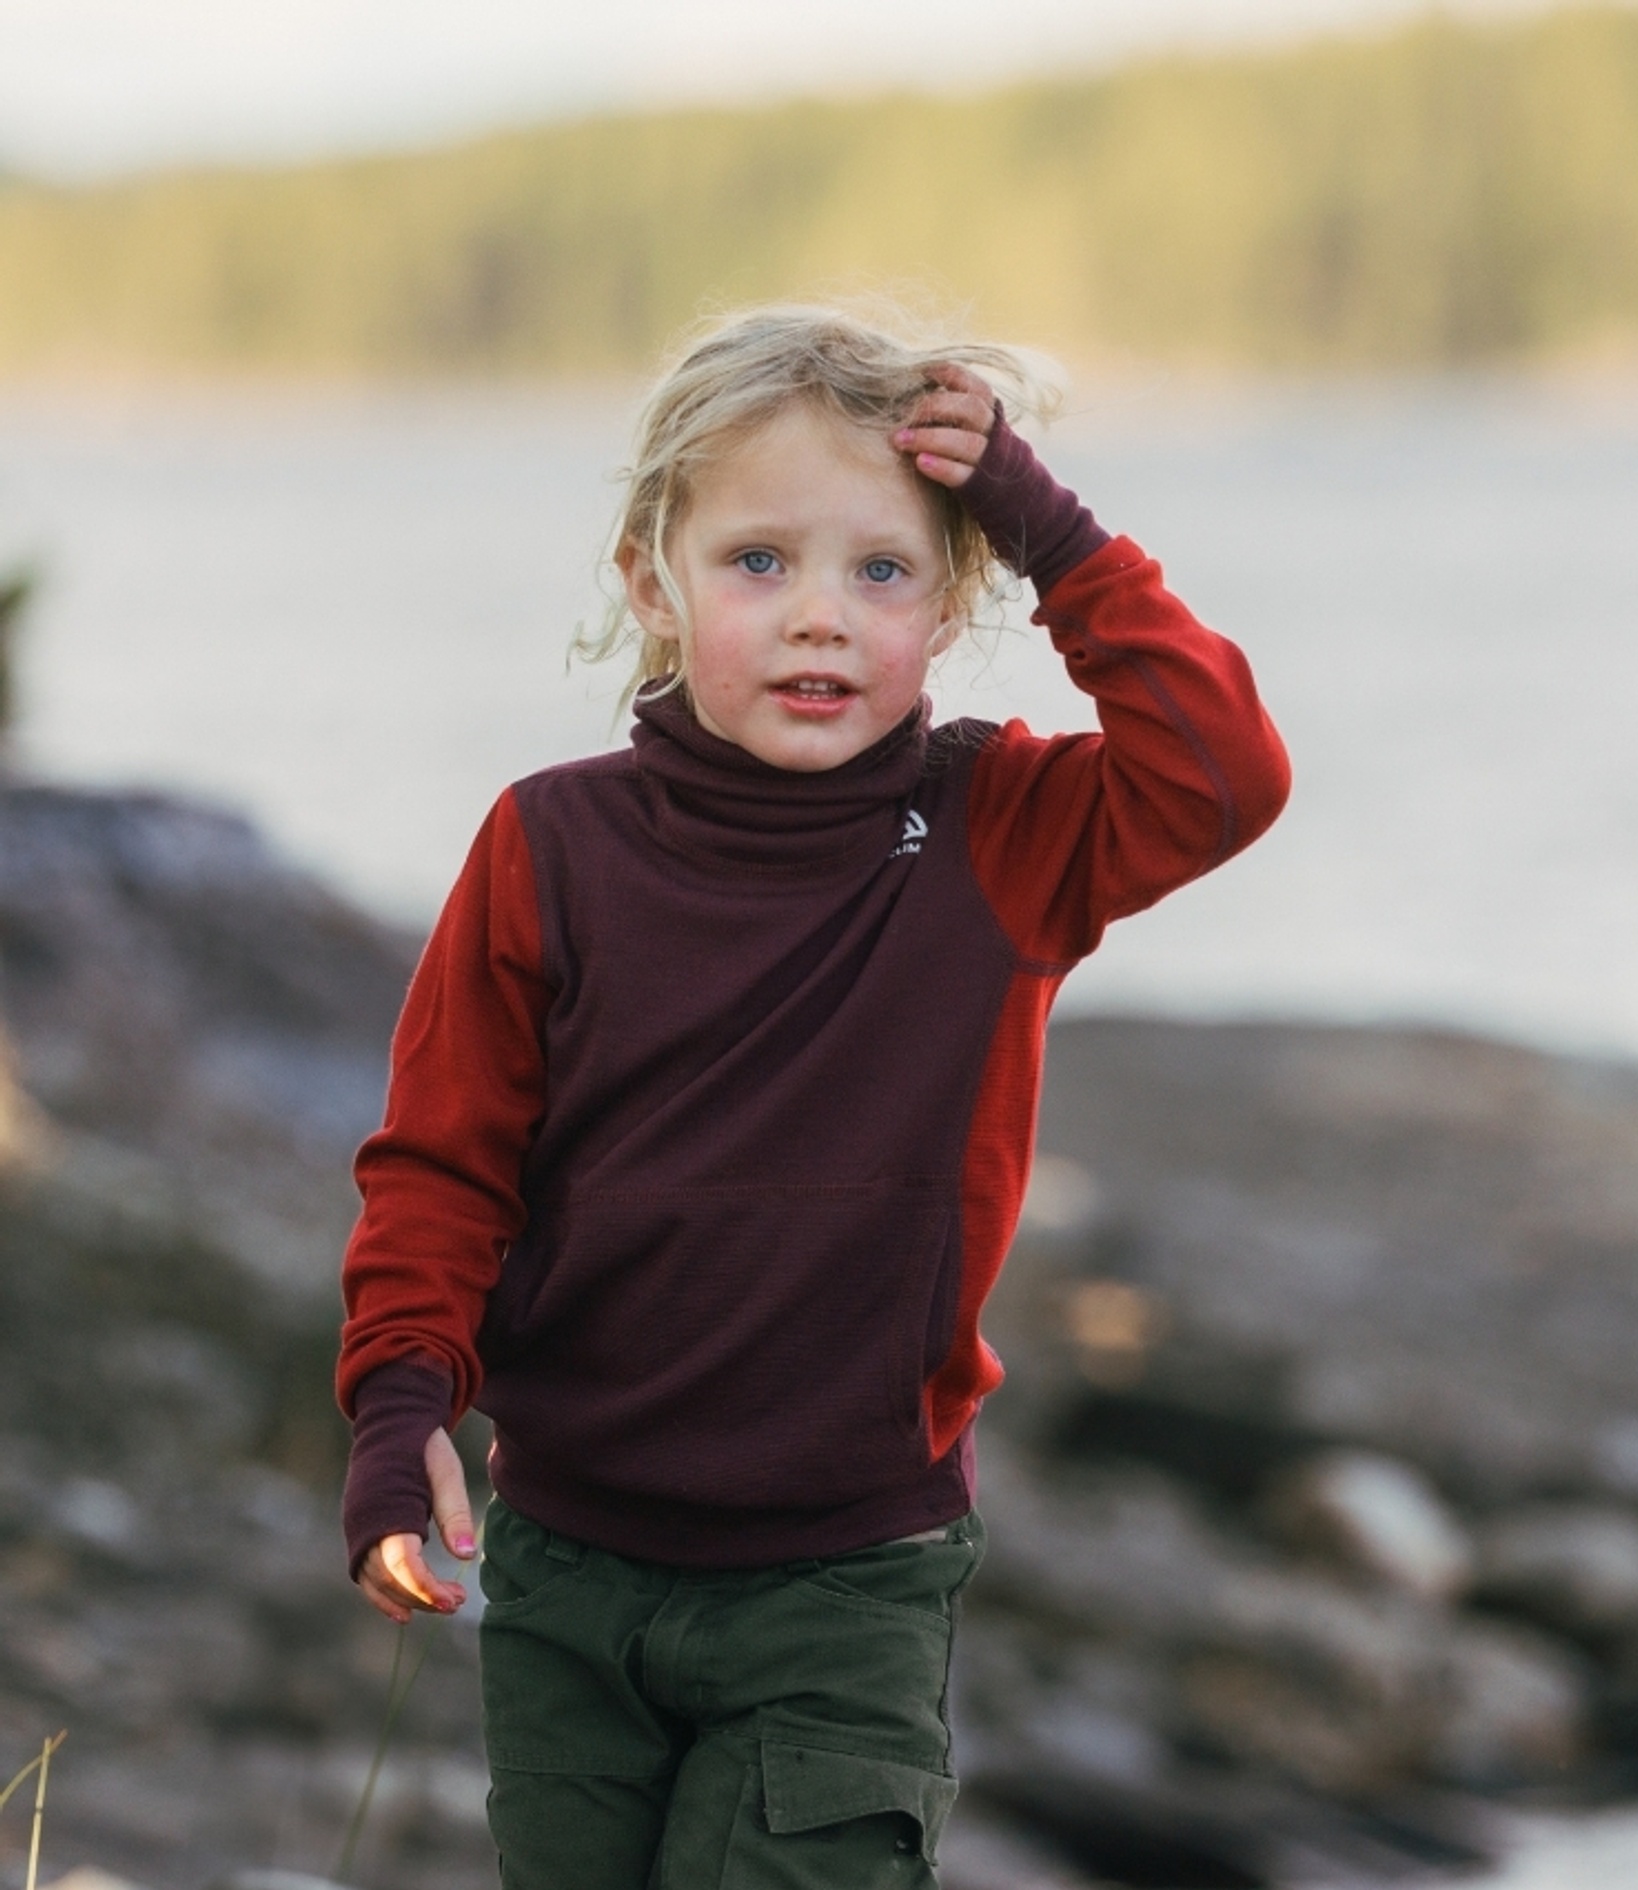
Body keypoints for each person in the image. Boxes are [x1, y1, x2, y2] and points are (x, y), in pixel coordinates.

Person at [337, 304, 1290, 1888]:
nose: (819, 620)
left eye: (883, 570)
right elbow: (441, 1168)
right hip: (569, 1567)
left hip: (846, 1576)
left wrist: (1045, 525)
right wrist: (397, 1411)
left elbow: (1221, 770)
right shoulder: (548, 847)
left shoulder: (1003, 828)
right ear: (655, 578)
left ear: (953, 591)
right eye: (758, 562)